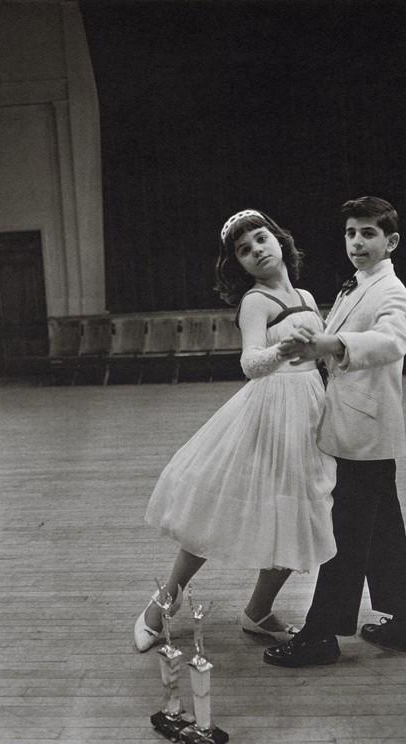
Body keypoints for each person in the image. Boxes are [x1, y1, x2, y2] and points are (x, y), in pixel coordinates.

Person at [134, 209, 336, 652]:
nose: (256, 251)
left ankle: (258, 612)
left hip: (309, 412)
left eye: (261, 239)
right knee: (218, 512)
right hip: (269, 413)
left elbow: (321, 357)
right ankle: (162, 604)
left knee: (299, 517)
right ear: (239, 265)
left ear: (279, 240)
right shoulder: (256, 301)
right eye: (244, 250)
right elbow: (250, 364)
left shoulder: (305, 293)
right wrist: (282, 349)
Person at [264, 196, 406, 667]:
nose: (357, 242)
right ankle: (404, 625)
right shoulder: (358, 286)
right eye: (351, 233)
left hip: (365, 431)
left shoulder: (391, 291)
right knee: (382, 530)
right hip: (361, 428)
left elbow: (393, 340)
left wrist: (332, 343)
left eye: (369, 233)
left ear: (391, 241)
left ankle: (320, 635)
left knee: (347, 534)